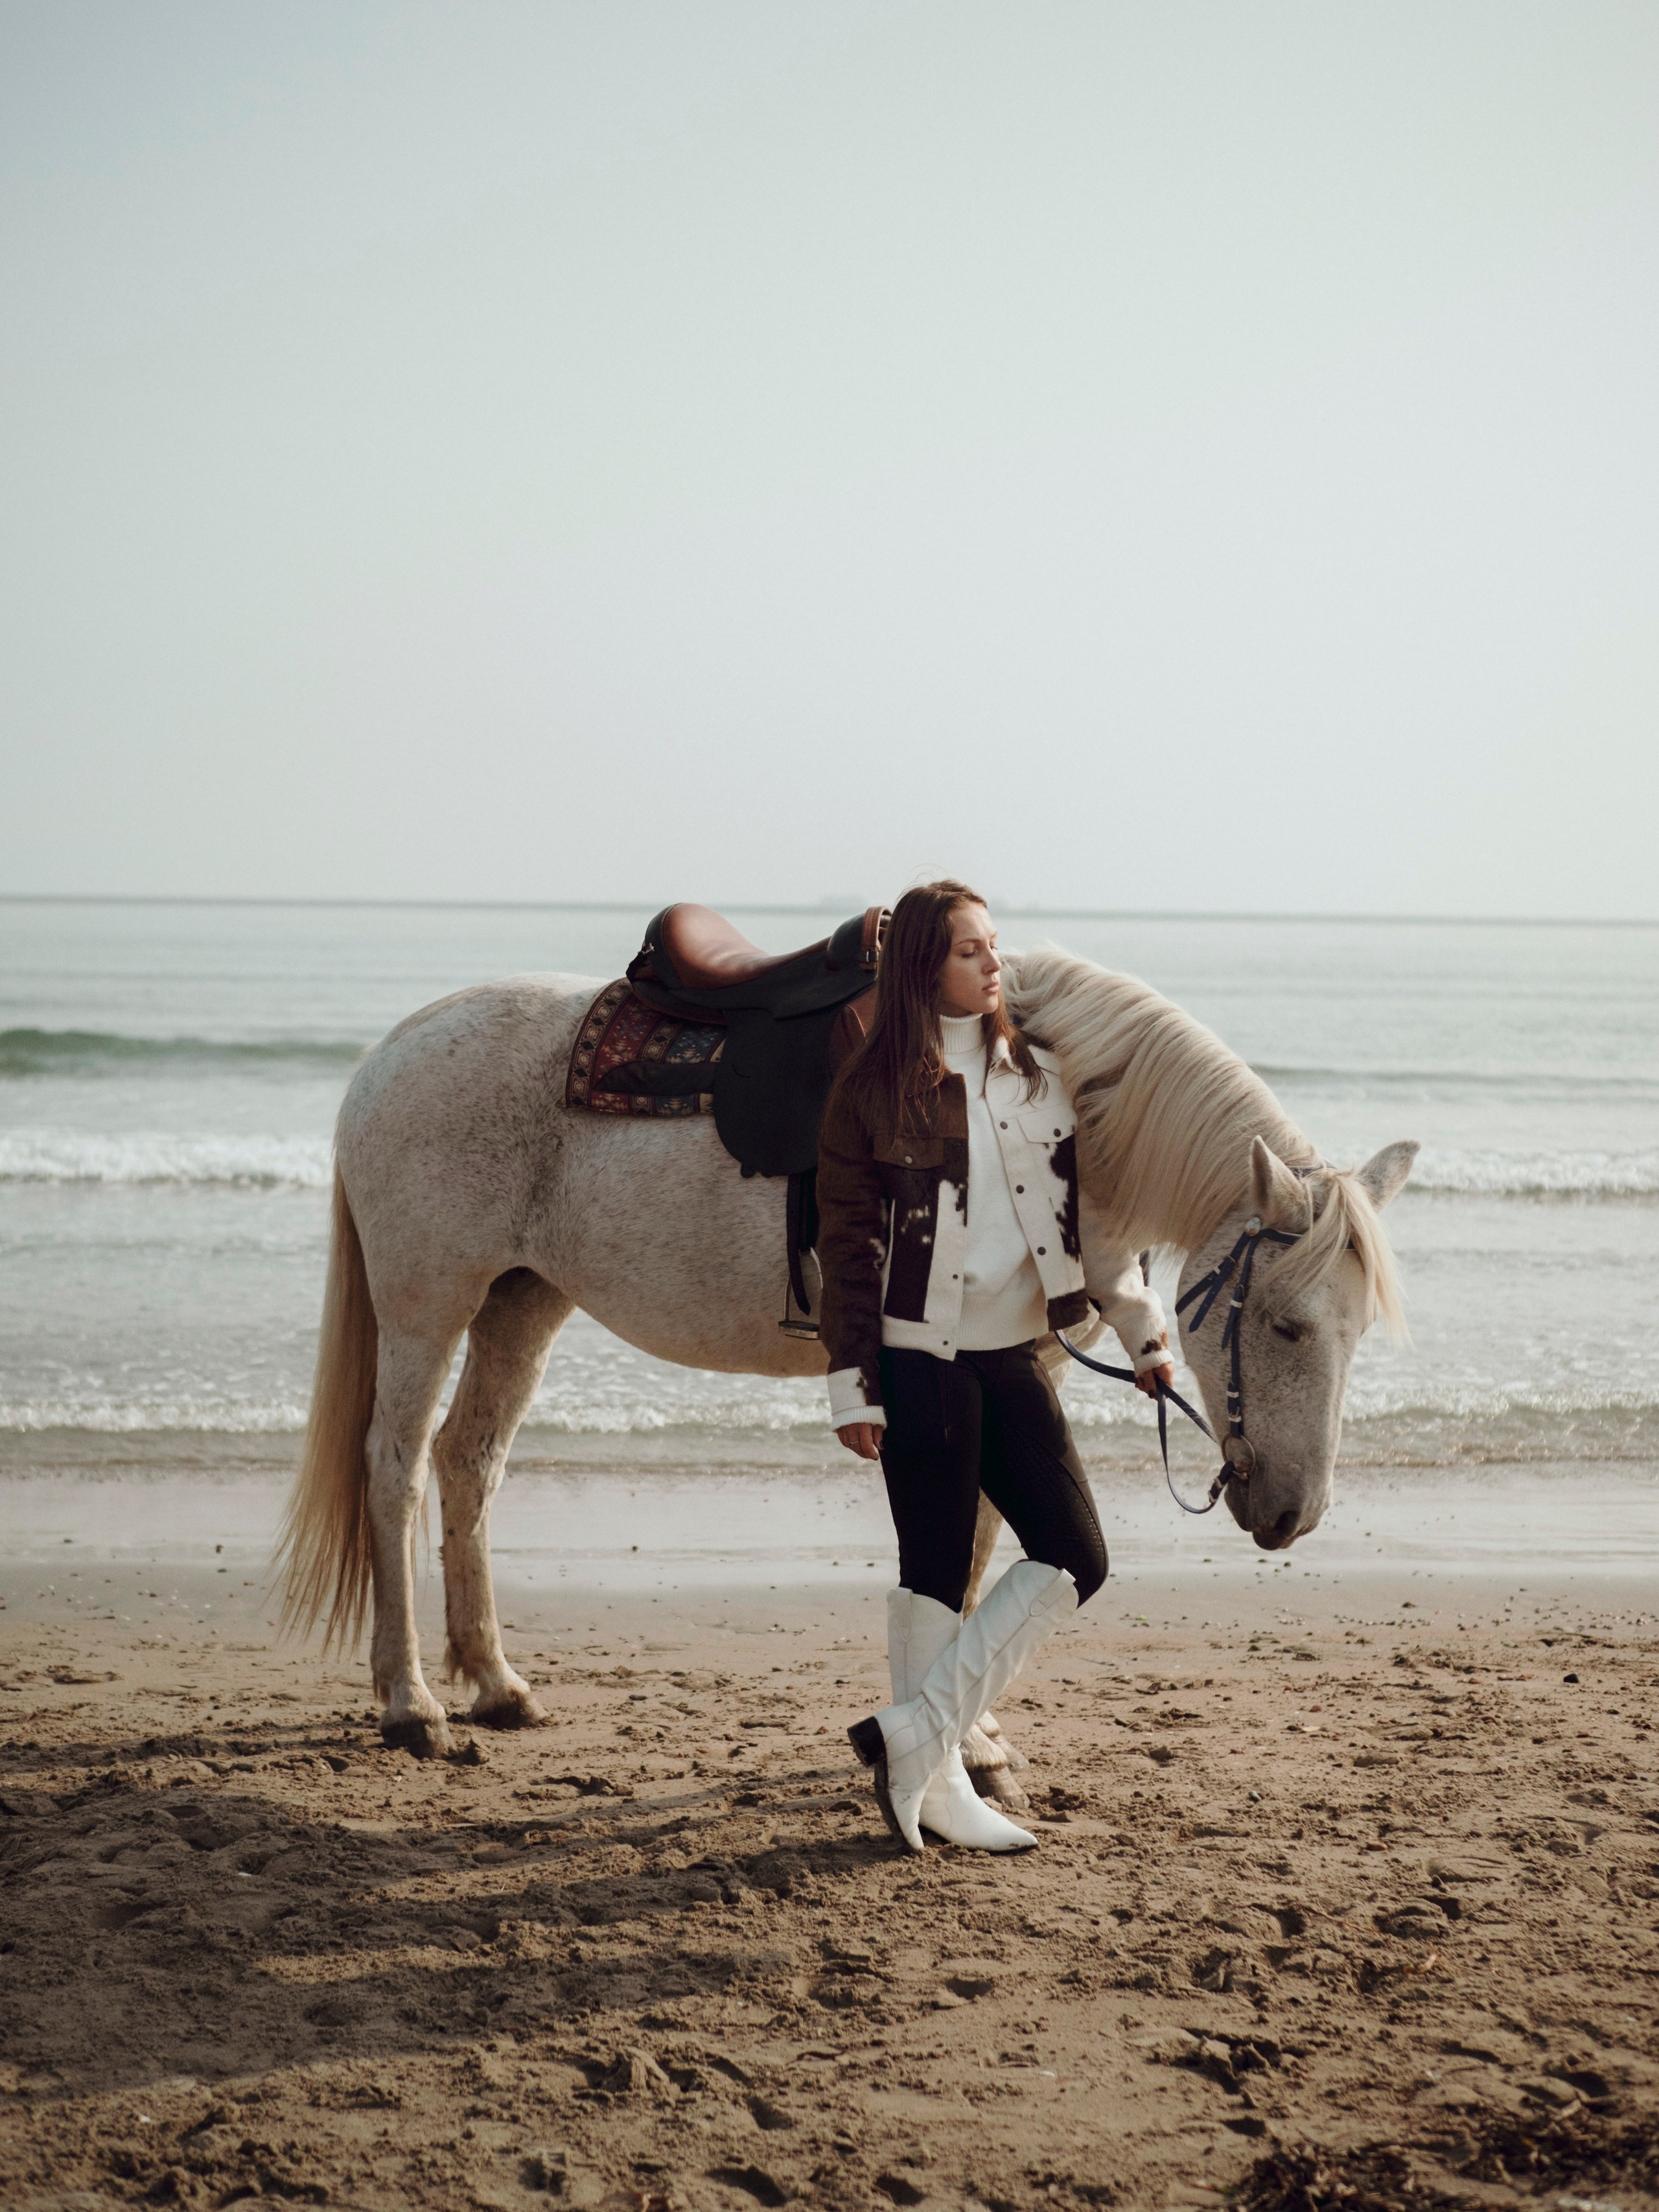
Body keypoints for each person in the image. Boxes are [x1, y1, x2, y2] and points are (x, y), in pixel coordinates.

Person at [815, 880, 1175, 1852]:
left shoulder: (1039, 1076)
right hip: (918, 1360)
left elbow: (1095, 1229)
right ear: (925, 966)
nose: (993, 964)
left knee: (1077, 1554)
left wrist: (1144, 1332)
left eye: (995, 946)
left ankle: (914, 1738)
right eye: (971, 950)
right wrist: (853, 1385)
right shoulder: (873, 1091)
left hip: (1015, 1352)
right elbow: (846, 1250)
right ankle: (933, 1786)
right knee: (932, 1576)